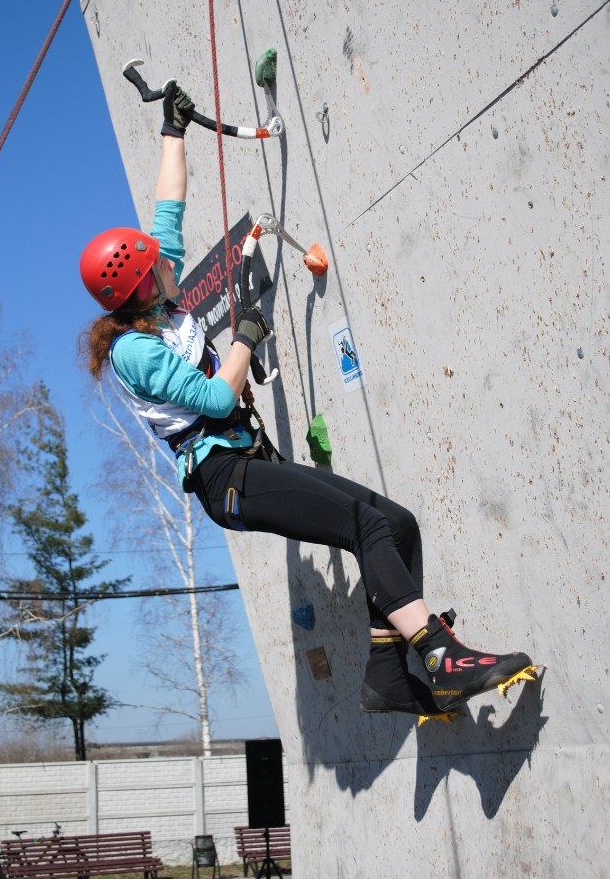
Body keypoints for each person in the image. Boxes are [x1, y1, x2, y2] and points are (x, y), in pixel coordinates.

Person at [79, 82, 532, 719]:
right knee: (363, 525)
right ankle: (438, 654)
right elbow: (213, 397)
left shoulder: (161, 296)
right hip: (225, 477)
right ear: (140, 284)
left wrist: (173, 131)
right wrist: (245, 336)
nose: (167, 260)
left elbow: (167, 208)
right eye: (158, 263)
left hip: (248, 458)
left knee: (395, 524)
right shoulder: (134, 351)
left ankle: (387, 678)